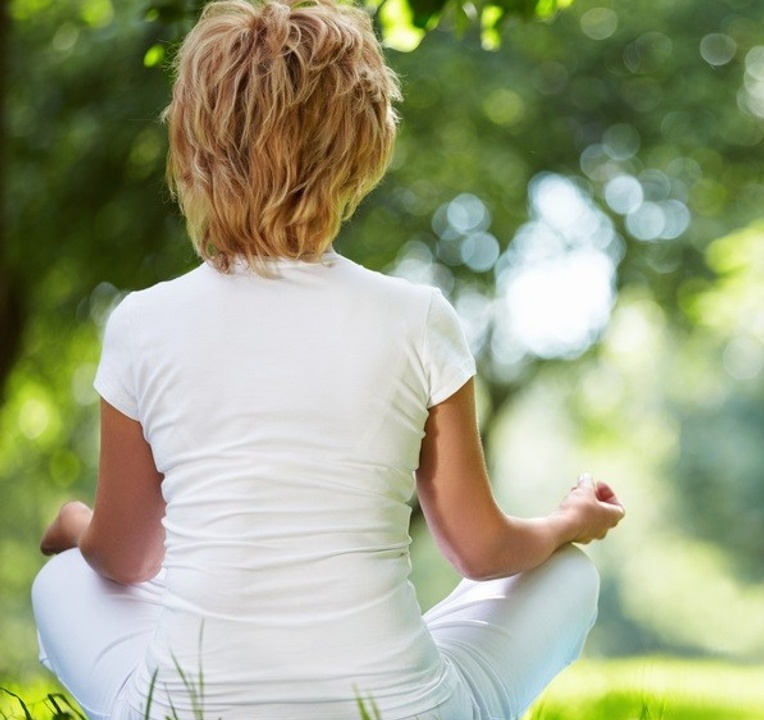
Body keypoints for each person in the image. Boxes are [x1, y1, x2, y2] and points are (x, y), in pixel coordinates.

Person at [30, 1, 626, 718]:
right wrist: (568, 522)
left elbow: (127, 561)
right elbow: (483, 551)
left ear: (190, 144)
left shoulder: (141, 323)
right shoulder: (418, 318)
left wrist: (76, 526)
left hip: (182, 709)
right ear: (363, 147)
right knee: (567, 575)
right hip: (408, 710)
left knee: (63, 580)